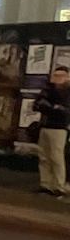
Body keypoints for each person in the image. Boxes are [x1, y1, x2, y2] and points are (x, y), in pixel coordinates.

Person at [35, 65, 70, 198]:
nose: (57, 79)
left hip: (59, 128)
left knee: (56, 157)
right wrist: (52, 108)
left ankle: (59, 187)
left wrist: (50, 107)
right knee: (44, 157)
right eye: (55, 75)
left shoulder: (67, 92)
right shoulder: (47, 89)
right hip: (45, 126)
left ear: (67, 77)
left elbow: (64, 111)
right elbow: (37, 105)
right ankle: (46, 185)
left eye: (61, 76)